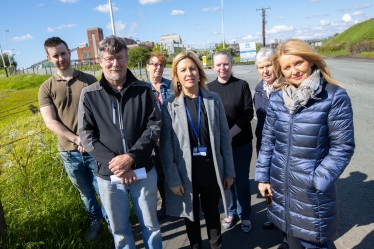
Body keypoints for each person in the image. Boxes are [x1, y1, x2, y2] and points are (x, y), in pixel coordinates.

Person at [255, 39, 355, 249]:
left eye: (298, 63)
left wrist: (316, 181)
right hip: (281, 189)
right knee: (291, 240)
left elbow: (342, 147)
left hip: (311, 194)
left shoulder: (334, 96)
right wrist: (263, 177)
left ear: (309, 60)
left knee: (313, 243)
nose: (294, 71)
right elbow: (268, 141)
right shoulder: (277, 99)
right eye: (287, 67)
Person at [78, 36, 162, 249]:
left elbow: (154, 126)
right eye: (109, 58)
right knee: (120, 230)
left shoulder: (144, 90)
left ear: (127, 59)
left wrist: (131, 158)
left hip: (143, 169)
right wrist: (115, 164)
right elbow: (87, 135)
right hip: (108, 175)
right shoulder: (89, 95)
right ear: (100, 60)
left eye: (120, 58)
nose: (115, 63)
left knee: (151, 224)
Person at [159, 51, 235, 249]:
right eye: (183, 70)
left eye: (192, 68)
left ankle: (216, 246)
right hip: (186, 176)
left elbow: (225, 139)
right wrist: (173, 180)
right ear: (177, 75)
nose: (189, 73)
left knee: (212, 215)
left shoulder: (213, 99)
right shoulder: (169, 106)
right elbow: (166, 148)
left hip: (211, 171)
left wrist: (229, 172)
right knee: (191, 218)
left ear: (199, 72)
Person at [38, 37, 109, 241]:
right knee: (86, 193)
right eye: (55, 56)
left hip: (94, 149)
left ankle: (112, 223)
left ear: (69, 52)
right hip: (69, 152)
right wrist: (77, 139)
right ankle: (95, 220)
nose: (61, 58)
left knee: (103, 189)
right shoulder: (46, 88)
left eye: (63, 53)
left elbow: (101, 114)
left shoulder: (89, 80)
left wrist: (89, 140)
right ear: (48, 58)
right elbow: (50, 121)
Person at [208, 50, 254, 233]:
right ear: (213, 67)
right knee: (227, 181)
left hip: (241, 142)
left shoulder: (241, 85)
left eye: (225, 64)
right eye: (218, 65)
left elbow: (248, 112)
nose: (222, 68)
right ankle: (231, 211)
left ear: (231, 64)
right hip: (220, 145)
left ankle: (246, 215)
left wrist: (229, 133)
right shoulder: (209, 89)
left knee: (241, 181)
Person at [254, 48, 289, 249]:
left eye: (268, 65)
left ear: (275, 65)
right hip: (265, 145)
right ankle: (274, 217)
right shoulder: (259, 89)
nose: (265, 70)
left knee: (284, 189)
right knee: (268, 186)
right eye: (261, 67)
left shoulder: (286, 86)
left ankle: (287, 233)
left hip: (283, 146)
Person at [146, 52, 172, 220]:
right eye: (154, 64)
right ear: (147, 66)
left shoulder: (172, 86)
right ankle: (165, 204)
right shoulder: (142, 89)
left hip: (173, 137)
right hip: (154, 140)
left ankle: (183, 201)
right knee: (160, 174)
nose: (158, 67)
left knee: (177, 170)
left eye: (161, 64)